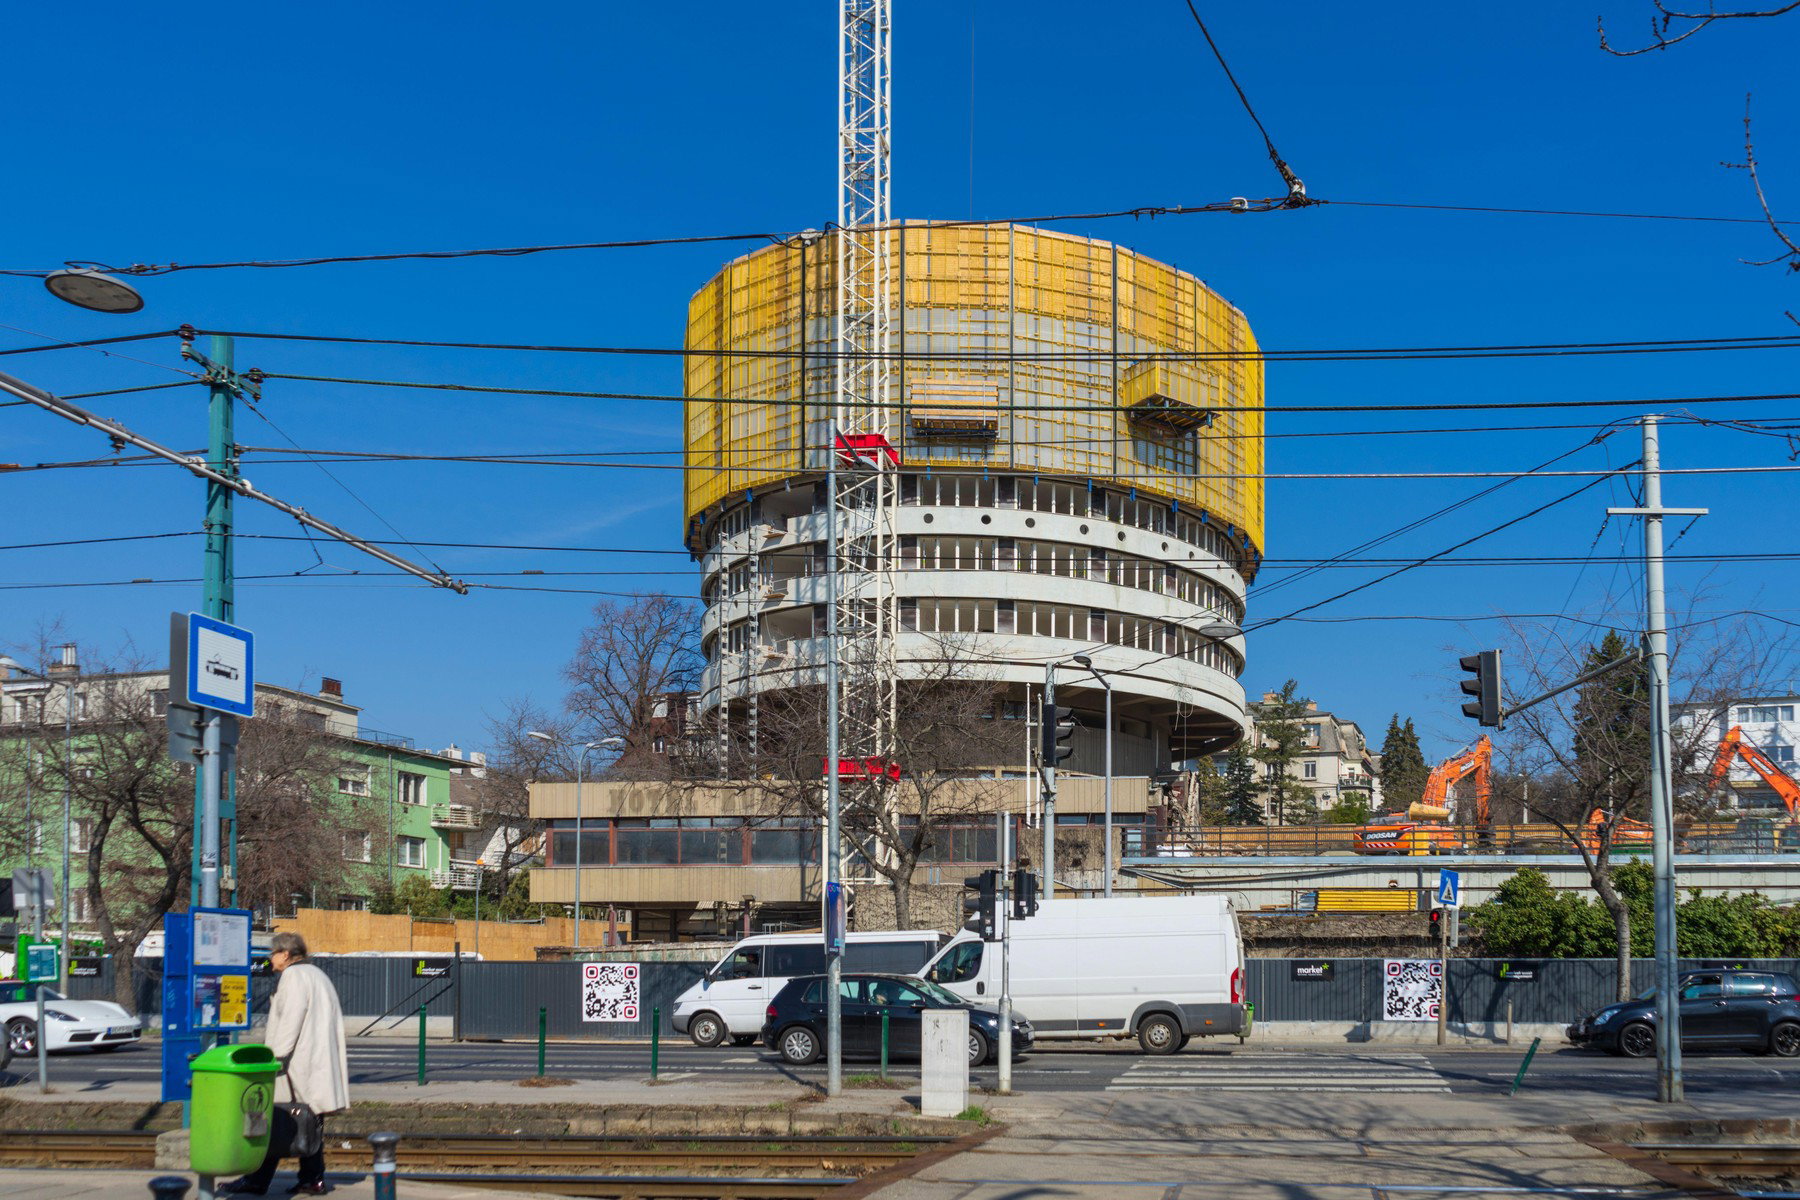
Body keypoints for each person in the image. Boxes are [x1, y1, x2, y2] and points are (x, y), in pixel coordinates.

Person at [225, 932, 349, 1196]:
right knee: (308, 1123)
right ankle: (311, 1178)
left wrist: (274, 1058)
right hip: (315, 1064)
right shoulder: (318, 975)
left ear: (285, 954)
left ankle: (258, 1180)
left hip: (295, 1066)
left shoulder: (293, 977)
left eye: (273, 953)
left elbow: (290, 1021)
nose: (270, 958)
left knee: (274, 1121)